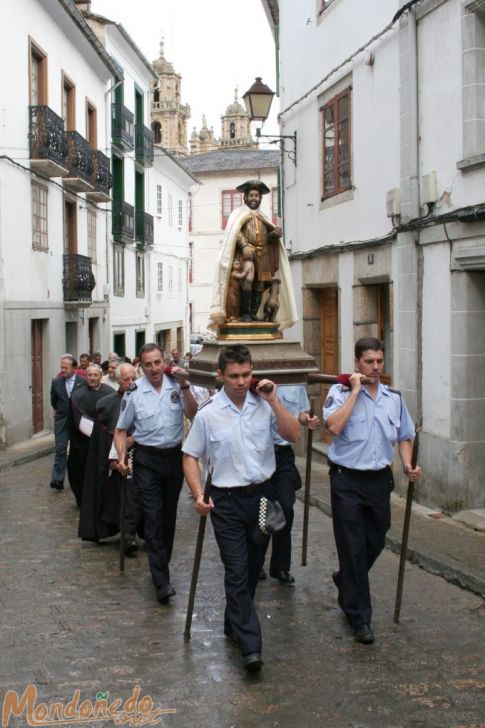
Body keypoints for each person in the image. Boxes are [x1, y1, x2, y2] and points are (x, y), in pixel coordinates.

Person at [183, 344, 301, 673]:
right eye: (234, 376)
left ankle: (232, 621)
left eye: (246, 374)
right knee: (236, 569)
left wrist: (275, 401)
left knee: (250, 570)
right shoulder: (208, 415)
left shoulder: (264, 406)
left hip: (262, 499)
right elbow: (190, 456)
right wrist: (197, 493)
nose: (241, 381)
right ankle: (251, 645)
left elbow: (294, 435)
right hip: (226, 502)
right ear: (220, 375)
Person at [323, 337, 422, 645]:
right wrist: (355, 391)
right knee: (351, 546)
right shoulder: (339, 393)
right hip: (346, 481)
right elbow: (334, 427)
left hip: (379, 480)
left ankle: (346, 579)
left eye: (380, 361)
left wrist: (407, 465)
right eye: (370, 361)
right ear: (357, 363)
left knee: (376, 539)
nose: (376, 367)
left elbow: (405, 435)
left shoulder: (394, 398)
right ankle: (359, 617)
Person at [114, 344, 198, 604]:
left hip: (174, 458)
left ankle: (161, 564)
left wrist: (185, 385)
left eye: (157, 362)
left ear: (164, 362)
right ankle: (161, 581)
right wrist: (120, 458)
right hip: (146, 460)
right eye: (148, 364)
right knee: (152, 517)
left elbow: (193, 413)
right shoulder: (135, 392)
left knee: (168, 519)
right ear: (142, 366)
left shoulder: (176, 385)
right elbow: (120, 430)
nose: (153, 368)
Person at [209, 180, 298, 330]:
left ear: (260, 198)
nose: (254, 198)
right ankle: (244, 313)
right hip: (247, 255)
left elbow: (266, 236)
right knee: (248, 279)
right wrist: (244, 245)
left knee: (260, 284)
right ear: (245, 198)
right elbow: (234, 233)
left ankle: (253, 313)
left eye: (257, 195)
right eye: (251, 195)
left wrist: (273, 235)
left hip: (263, 254)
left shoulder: (263, 217)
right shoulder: (237, 215)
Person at [78, 363, 142, 551]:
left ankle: (131, 533)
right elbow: (101, 439)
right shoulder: (107, 404)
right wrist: (113, 460)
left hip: (141, 457)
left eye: (133, 379)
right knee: (118, 498)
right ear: (117, 380)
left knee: (137, 498)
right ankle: (124, 533)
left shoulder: (145, 400)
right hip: (115, 461)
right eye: (126, 379)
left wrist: (135, 438)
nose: (130, 383)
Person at [261, 385, 320, 585]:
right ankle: (256, 560)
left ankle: (280, 567)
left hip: (284, 454)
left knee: (286, 508)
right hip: (259, 453)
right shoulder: (256, 380)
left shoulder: (296, 382)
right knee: (260, 509)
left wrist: (307, 419)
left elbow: (301, 412)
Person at [67, 364, 112, 507]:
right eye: (89, 375)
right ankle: (83, 501)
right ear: (86, 376)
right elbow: (78, 419)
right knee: (80, 473)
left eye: (95, 375)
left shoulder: (109, 392)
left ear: (100, 376)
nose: (92, 378)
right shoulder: (77, 395)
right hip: (82, 444)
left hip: (104, 442)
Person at [49, 355, 87, 491]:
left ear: (74, 368)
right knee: (60, 449)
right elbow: (54, 401)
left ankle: (77, 479)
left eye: (66, 367)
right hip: (62, 421)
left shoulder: (83, 382)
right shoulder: (56, 382)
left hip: (78, 423)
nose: (63, 370)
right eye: (62, 367)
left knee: (77, 452)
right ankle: (57, 479)